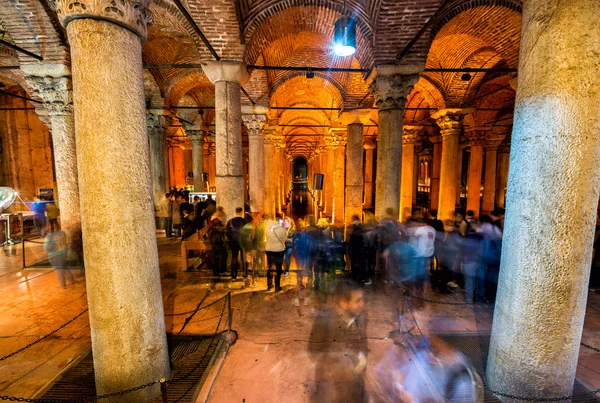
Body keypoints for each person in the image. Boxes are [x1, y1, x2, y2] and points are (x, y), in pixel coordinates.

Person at [308, 280, 367, 402]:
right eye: (357, 301)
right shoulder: (323, 321)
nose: (363, 304)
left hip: (354, 388)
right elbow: (313, 353)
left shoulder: (360, 319)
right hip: (330, 388)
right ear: (343, 303)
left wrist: (360, 361)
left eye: (362, 300)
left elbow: (363, 348)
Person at [265, 215, 288, 292]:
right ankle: (277, 286)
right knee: (278, 267)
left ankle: (269, 284)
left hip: (269, 249)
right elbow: (284, 239)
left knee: (270, 266)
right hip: (279, 250)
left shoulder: (267, 227)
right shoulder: (281, 229)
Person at [226, 207, 246, 280]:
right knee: (243, 258)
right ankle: (245, 274)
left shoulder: (230, 221)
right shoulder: (244, 221)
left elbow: (227, 232)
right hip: (242, 242)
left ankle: (234, 276)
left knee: (234, 257)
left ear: (235, 212)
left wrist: (231, 239)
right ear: (241, 212)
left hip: (233, 242)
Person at [347, 214, 366, 284]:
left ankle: (354, 276)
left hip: (353, 247)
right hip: (361, 247)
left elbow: (348, 238)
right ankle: (361, 277)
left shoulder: (350, 227)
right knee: (361, 262)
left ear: (353, 219)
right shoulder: (363, 226)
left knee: (353, 262)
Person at [208, 212, 227, 276]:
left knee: (215, 256)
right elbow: (220, 230)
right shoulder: (217, 222)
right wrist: (224, 227)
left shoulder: (213, 222)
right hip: (218, 241)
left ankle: (216, 271)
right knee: (222, 255)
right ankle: (221, 270)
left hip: (214, 241)